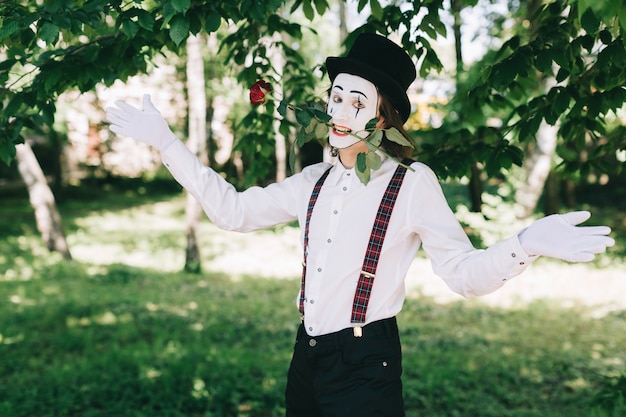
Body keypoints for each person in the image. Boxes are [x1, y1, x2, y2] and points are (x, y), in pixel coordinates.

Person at [106, 32, 614, 417]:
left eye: (358, 102)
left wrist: (527, 243)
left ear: (382, 118)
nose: (340, 111)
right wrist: (166, 144)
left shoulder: (411, 184)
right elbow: (233, 211)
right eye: (335, 96)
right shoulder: (312, 180)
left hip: (366, 364)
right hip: (306, 356)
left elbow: (461, 273)